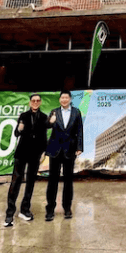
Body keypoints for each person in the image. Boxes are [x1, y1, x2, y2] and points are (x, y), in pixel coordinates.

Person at [4, 93, 48, 227]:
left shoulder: (44, 117)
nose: (35, 102)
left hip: (35, 154)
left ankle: (25, 210)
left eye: (37, 101)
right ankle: (9, 213)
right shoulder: (23, 116)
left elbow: (44, 137)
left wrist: (43, 152)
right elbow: (16, 134)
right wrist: (19, 129)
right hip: (22, 153)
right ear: (30, 102)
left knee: (30, 182)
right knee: (16, 180)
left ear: (40, 103)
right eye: (33, 100)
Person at [45, 89, 84, 222]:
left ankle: (67, 208)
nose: (64, 100)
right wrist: (51, 121)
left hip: (69, 150)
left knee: (68, 181)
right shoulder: (54, 112)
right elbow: (47, 126)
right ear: (60, 99)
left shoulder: (76, 112)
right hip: (55, 150)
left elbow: (79, 130)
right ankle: (50, 209)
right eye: (62, 98)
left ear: (70, 99)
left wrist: (79, 147)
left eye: (66, 98)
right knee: (52, 181)